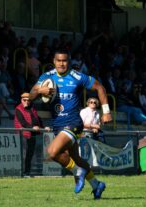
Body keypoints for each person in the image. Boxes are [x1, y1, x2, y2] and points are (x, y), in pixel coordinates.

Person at [29, 49, 112, 199]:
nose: (61, 63)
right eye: (58, 60)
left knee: (52, 152)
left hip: (73, 122)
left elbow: (100, 87)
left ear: (69, 61)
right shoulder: (46, 77)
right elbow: (31, 95)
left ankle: (78, 172)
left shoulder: (77, 76)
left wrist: (106, 111)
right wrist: (40, 90)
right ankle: (97, 185)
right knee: (75, 158)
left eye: (64, 60)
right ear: (54, 61)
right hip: (58, 124)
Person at [14, 92, 50, 176]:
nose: (26, 102)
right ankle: (23, 173)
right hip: (23, 134)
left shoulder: (32, 108)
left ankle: (27, 172)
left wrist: (43, 127)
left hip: (32, 134)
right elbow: (22, 122)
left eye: (28, 100)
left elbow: (37, 119)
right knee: (24, 154)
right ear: (21, 100)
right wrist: (32, 127)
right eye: (24, 100)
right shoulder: (18, 109)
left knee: (29, 155)